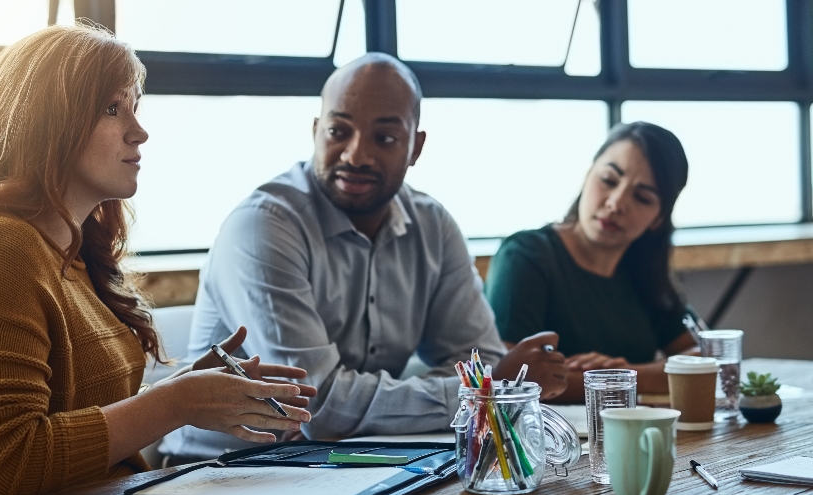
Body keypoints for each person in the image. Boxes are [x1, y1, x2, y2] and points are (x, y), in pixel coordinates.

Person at [0, 24, 313, 495]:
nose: (140, 131)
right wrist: (175, 403)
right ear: (48, 123)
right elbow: (6, 469)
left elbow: (81, 420)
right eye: (114, 109)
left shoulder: (69, 251)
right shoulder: (0, 249)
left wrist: (193, 387)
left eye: (135, 107)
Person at [160, 53, 568, 462]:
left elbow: (478, 361)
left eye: (385, 138)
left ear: (416, 147)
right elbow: (316, 405)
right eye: (339, 131)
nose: (356, 155)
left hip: (347, 462)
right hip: (216, 474)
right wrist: (477, 390)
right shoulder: (264, 225)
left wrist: (476, 385)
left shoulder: (433, 226)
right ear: (316, 131)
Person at [485, 122, 700, 400]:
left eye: (642, 197)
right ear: (588, 174)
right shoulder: (526, 255)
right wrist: (627, 380)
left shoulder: (644, 271)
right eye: (609, 180)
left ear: (658, 218)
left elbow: (708, 358)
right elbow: (512, 379)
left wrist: (626, 373)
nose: (616, 202)